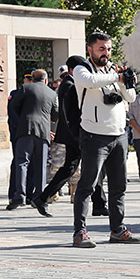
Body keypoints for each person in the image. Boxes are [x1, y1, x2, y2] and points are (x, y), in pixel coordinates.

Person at [71, 32, 140, 248]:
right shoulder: (81, 68)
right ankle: (79, 232)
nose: (106, 53)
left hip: (119, 135)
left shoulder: (114, 71)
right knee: (88, 185)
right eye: (101, 49)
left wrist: (125, 81)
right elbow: (90, 82)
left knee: (119, 185)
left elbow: (130, 97)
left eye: (109, 49)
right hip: (94, 135)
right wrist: (117, 77)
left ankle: (118, 229)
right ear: (90, 49)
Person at [33, 57, 86, 216]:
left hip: (73, 133)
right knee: (84, 166)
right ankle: (99, 202)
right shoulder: (69, 85)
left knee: (70, 168)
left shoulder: (68, 84)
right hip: (75, 134)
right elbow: (70, 112)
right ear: (72, 70)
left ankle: (42, 197)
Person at [8, 70, 58, 210]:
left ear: (33, 79)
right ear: (46, 80)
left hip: (26, 129)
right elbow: (55, 114)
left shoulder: (25, 88)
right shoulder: (52, 93)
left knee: (22, 162)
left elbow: (14, 106)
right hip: (43, 132)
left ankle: (20, 195)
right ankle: (39, 197)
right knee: (41, 165)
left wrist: (25, 116)